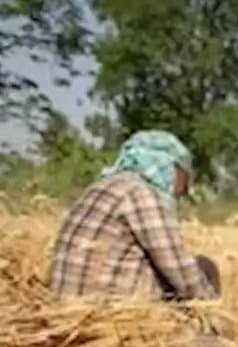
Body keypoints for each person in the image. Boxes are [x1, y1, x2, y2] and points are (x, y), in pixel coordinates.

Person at [49, 129, 221, 305]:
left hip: (65, 309)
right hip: (108, 310)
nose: (182, 192)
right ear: (172, 168)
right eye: (184, 181)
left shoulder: (99, 187)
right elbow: (179, 269)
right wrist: (213, 308)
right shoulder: (141, 193)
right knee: (204, 268)